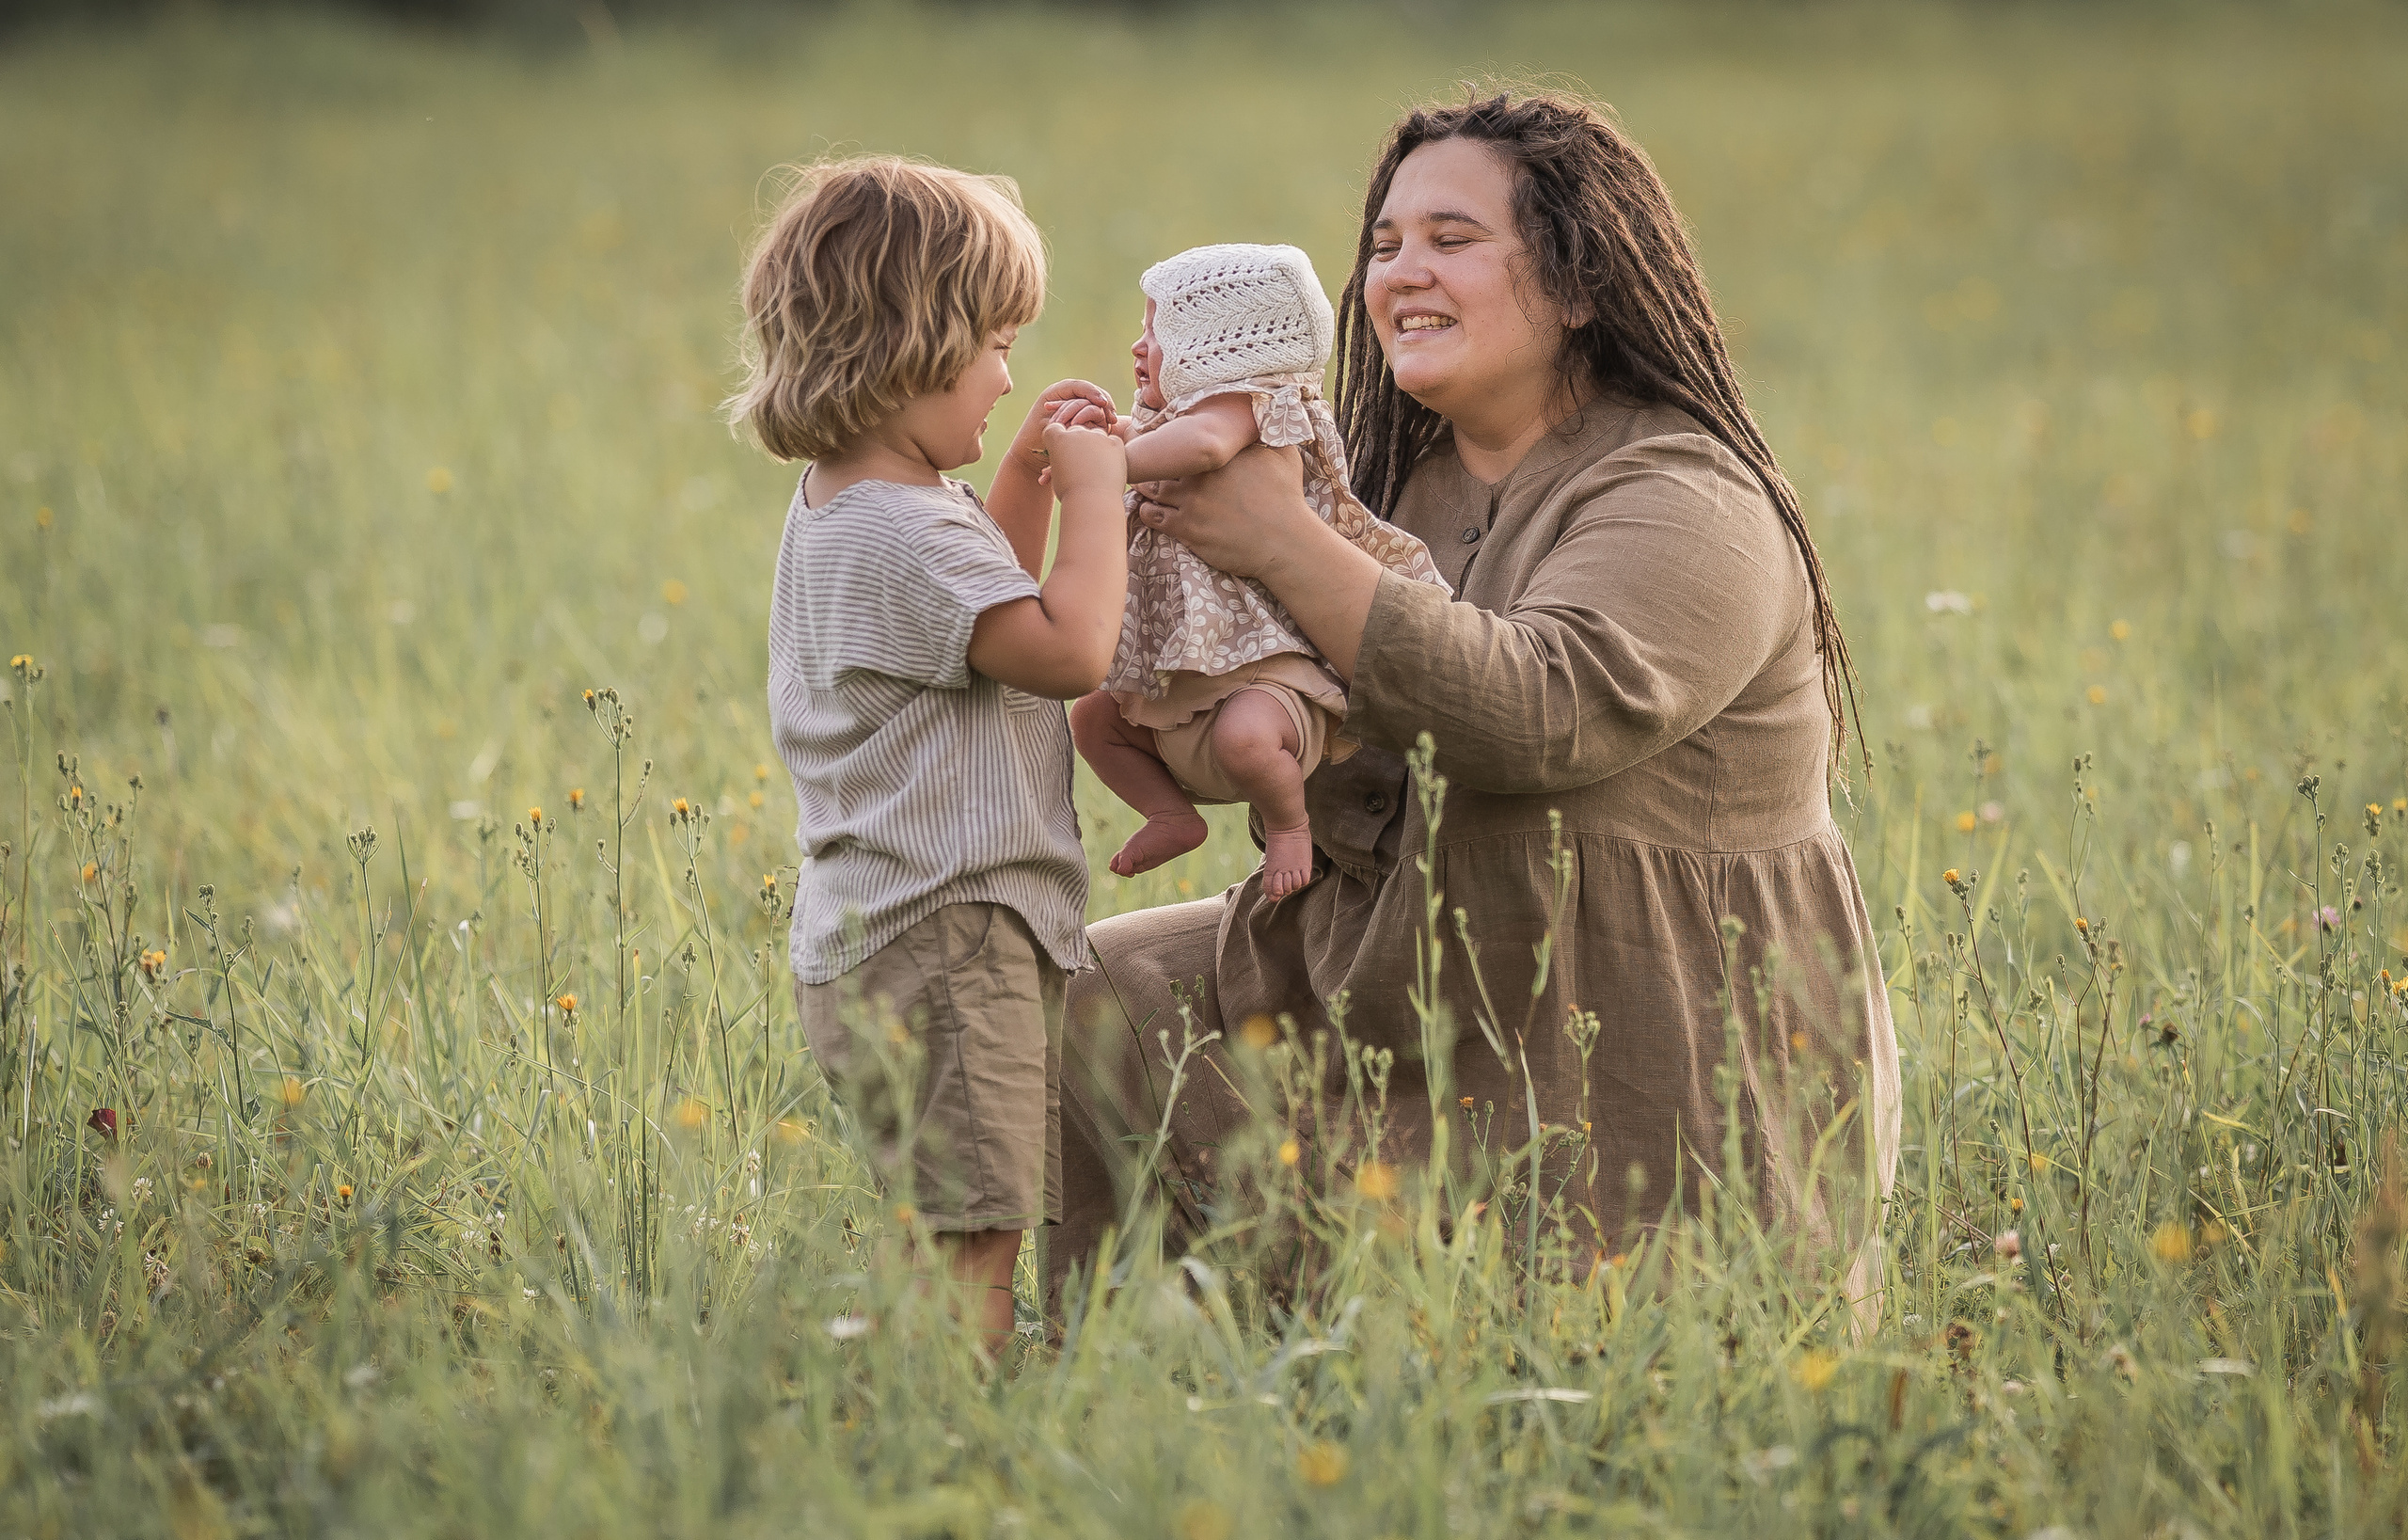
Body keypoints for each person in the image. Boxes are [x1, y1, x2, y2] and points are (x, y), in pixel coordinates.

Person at [1044, 93, 1903, 1322]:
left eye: (1452, 238)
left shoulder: (1689, 500)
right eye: (1385, 245)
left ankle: (1381, 1334)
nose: (1401, 274)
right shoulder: (1389, 488)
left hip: (1630, 1060)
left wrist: (1284, 545)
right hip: (1401, 999)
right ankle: (1136, 1367)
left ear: (1578, 282)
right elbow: (1271, 741)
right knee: (1088, 990)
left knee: (1557, 1360)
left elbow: (1534, 716)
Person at [728, 155, 1126, 1357]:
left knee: (953, 1212)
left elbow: (976, 626)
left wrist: (1015, 480)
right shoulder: (903, 530)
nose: (1009, 374)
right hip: (950, 936)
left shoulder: (853, 501)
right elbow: (1062, 648)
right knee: (976, 1227)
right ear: (909, 343)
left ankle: (927, 1380)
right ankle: (955, 1404)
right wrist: (1097, 499)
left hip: (886, 933)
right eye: (995, 345)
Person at [1069, 244, 1450, 900]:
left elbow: (1205, 445)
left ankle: (1288, 825)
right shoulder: (1180, 415)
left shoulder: (1256, 403)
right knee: (1092, 719)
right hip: (1186, 681)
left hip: (1267, 673)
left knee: (1248, 736)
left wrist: (1106, 464)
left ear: (1222, 346)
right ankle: (1170, 814)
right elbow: (1163, 437)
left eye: (1160, 332)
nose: (1139, 347)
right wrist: (1104, 435)